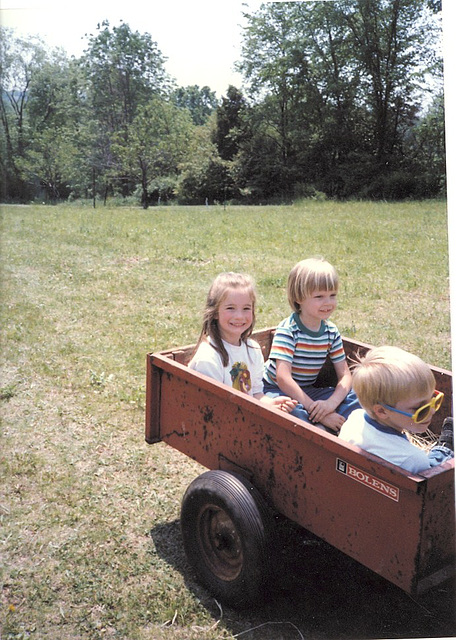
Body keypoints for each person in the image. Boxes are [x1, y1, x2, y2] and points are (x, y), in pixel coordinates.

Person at [263, 257, 360, 432]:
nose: (328, 302)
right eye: (319, 296)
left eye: (332, 295)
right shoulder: (289, 330)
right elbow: (283, 378)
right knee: (290, 411)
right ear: (299, 298)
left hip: (308, 390)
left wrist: (330, 404)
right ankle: (320, 427)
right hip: (277, 389)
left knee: (357, 400)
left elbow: (345, 376)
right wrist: (315, 409)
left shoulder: (330, 331)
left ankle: (327, 424)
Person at [188, 272, 297, 413]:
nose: (239, 316)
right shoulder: (208, 359)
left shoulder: (253, 350)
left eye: (246, 308)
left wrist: (270, 403)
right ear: (215, 312)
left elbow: (256, 393)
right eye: (230, 308)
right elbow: (216, 409)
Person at [338, 346, 454, 474]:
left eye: (434, 399)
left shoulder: (356, 417)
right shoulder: (413, 459)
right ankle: (444, 448)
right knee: (438, 461)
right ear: (382, 411)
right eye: (419, 409)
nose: (432, 411)